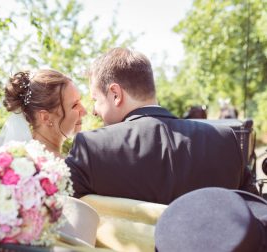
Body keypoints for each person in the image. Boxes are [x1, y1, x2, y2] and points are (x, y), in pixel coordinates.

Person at [65, 47, 256, 204]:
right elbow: (255, 212)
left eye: (96, 99)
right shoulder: (225, 140)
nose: (94, 111)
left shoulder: (92, 148)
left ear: (115, 94)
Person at [0, 69, 86, 176]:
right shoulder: (59, 170)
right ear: (45, 117)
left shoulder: (7, 165)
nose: (84, 111)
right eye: (75, 105)